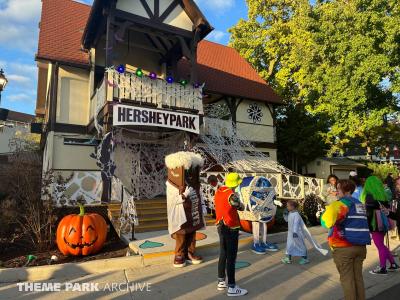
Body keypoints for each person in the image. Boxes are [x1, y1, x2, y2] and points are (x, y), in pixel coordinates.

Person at [321, 179, 371, 300]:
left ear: (346, 190)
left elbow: (325, 222)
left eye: (338, 189)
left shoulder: (340, 204)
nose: (336, 192)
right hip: (360, 246)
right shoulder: (359, 204)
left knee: (347, 280)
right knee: (358, 278)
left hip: (343, 247)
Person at [214, 172, 248, 297]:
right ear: (235, 184)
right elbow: (241, 207)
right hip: (230, 228)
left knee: (223, 254)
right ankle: (232, 287)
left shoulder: (219, 191)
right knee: (231, 257)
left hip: (220, 225)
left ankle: (221, 281)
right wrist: (239, 199)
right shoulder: (232, 195)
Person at [360, 176, 399, 275]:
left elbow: (368, 213)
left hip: (374, 223)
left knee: (380, 245)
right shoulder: (384, 194)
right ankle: (393, 264)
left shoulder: (368, 196)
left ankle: (382, 268)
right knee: (382, 245)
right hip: (384, 222)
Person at [281, 200, 327, 265]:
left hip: (297, 234)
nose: (287, 207)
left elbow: (296, 224)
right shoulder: (290, 213)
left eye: (288, 206)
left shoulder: (296, 215)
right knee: (289, 245)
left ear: (293, 207)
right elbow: (287, 220)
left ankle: (304, 258)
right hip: (291, 234)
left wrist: (295, 232)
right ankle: (288, 258)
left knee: (300, 245)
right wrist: (285, 215)